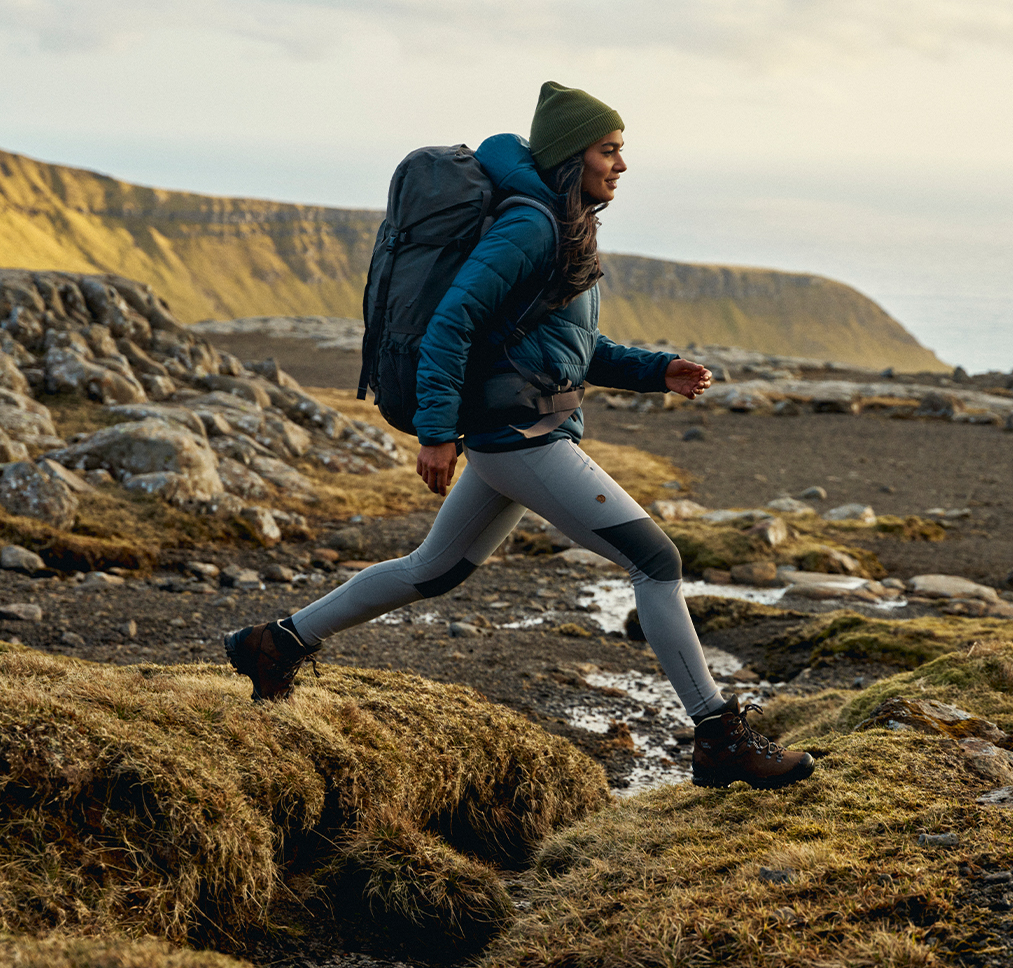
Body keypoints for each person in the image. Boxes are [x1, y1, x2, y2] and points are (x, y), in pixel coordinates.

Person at [224, 81, 814, 791]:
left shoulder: (564, 227)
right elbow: (452, 323)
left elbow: (570, 347)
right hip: (521, 436)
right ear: (573, 156)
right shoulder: (530, 228)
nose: (622, 164)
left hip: (523, 429)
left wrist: (658, 371)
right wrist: (437, 431)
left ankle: (274, 644)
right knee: (655, 562)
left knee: (432, 571)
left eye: (622, 150)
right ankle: (718, 736)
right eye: (609, 150)